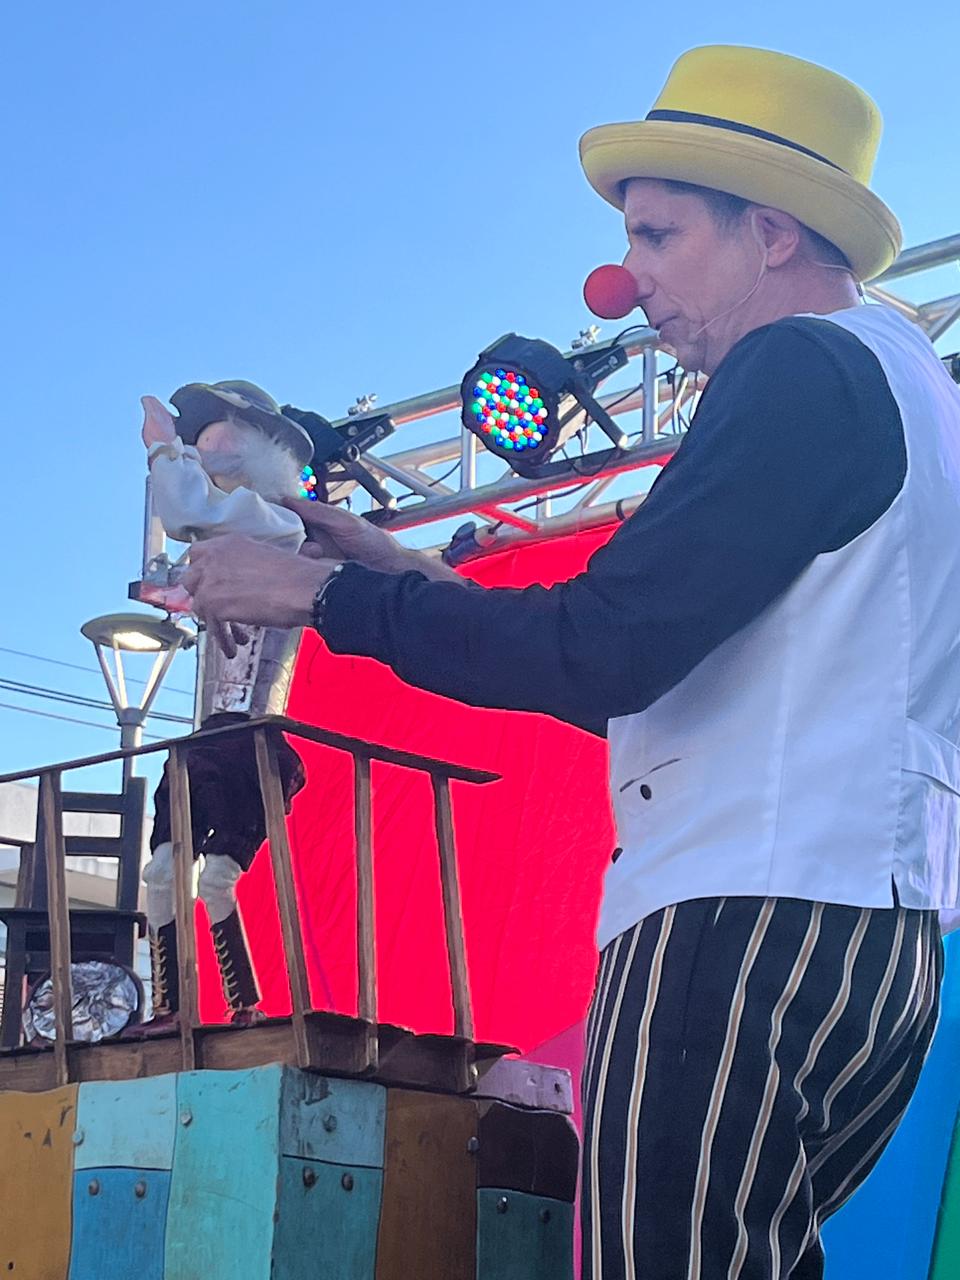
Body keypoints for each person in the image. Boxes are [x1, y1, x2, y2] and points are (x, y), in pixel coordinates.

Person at [181, 46, 960, 1280]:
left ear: (771, 232)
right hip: (874, 932)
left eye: (658, 234)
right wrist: (399, 570)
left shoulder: (799, 365)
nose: (625, 280)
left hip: (739, 915)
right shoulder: (909, 384)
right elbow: (673, 655)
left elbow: (602, 649)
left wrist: (318, 594)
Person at [138, 381, 309, 1028]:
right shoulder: (223, 541)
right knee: (161, 871)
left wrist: (164, 451)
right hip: (209, 737)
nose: (208, 446)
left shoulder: (280, 525)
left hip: (254, 737)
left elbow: (191, 510)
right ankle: (168, 1006)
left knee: (215, 879)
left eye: (220, 434)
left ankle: (243, 1005)